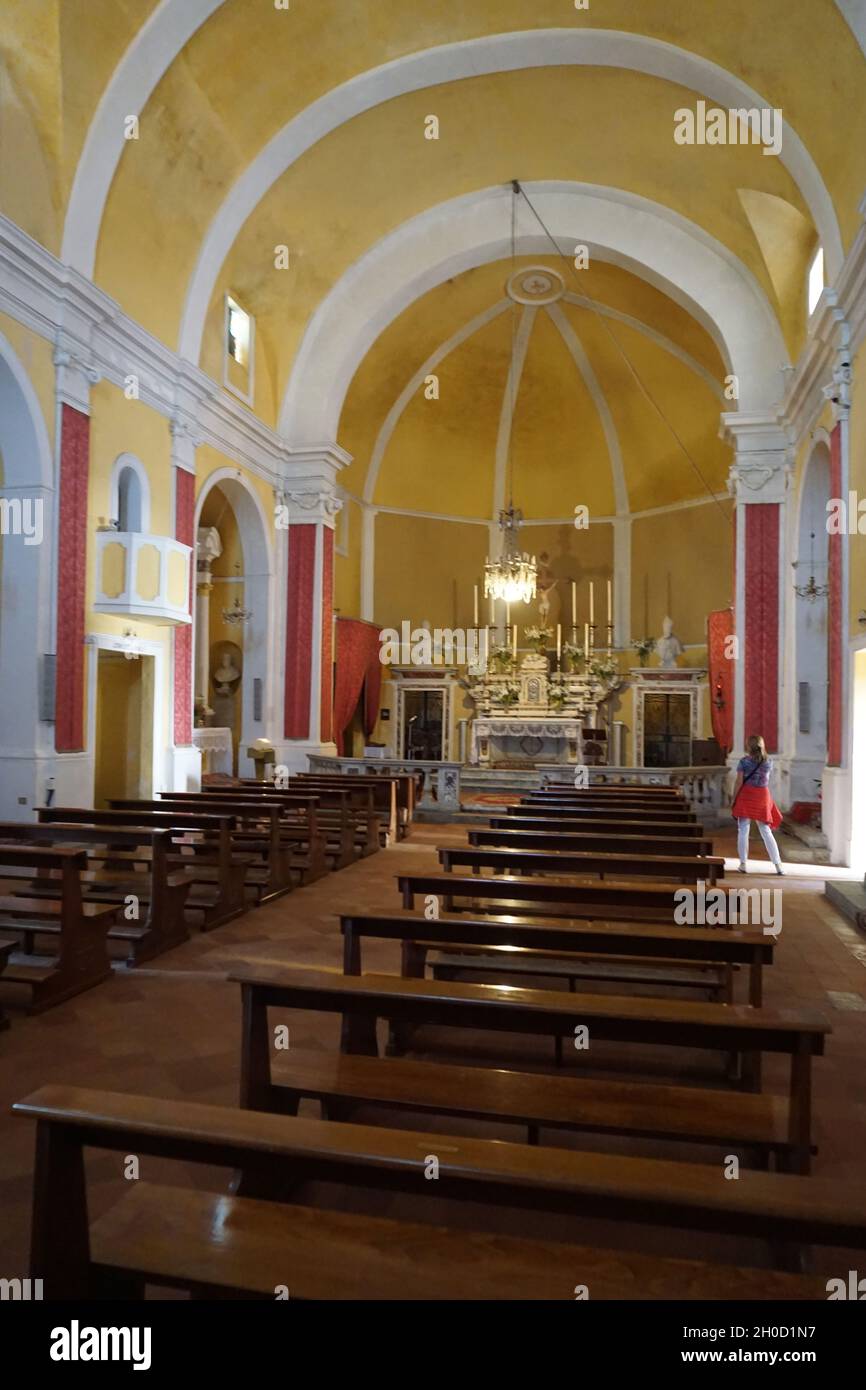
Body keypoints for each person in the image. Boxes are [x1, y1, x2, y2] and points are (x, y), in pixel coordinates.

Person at [731, 734, 784, 875]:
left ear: (748, 746)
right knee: (766, 831)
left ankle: (743, 864)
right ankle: (778, 865)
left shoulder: (744, 762)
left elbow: (739, 782)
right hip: (762, 795)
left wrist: (733, 798)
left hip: (746, 795)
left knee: (743, 830)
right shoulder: (769, 762)